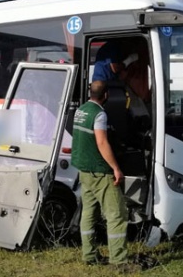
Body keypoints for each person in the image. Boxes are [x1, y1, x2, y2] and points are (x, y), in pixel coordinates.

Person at [71, 81, 139, 273]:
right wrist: (116, 168)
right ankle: (119, 262)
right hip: (100, 172)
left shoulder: (81, 110)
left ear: (90, 92)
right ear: (106, 95)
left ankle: (89, 255)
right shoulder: (99, 114)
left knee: (88, 213)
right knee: (116, 215)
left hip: (84, 171)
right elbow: (102, 142)